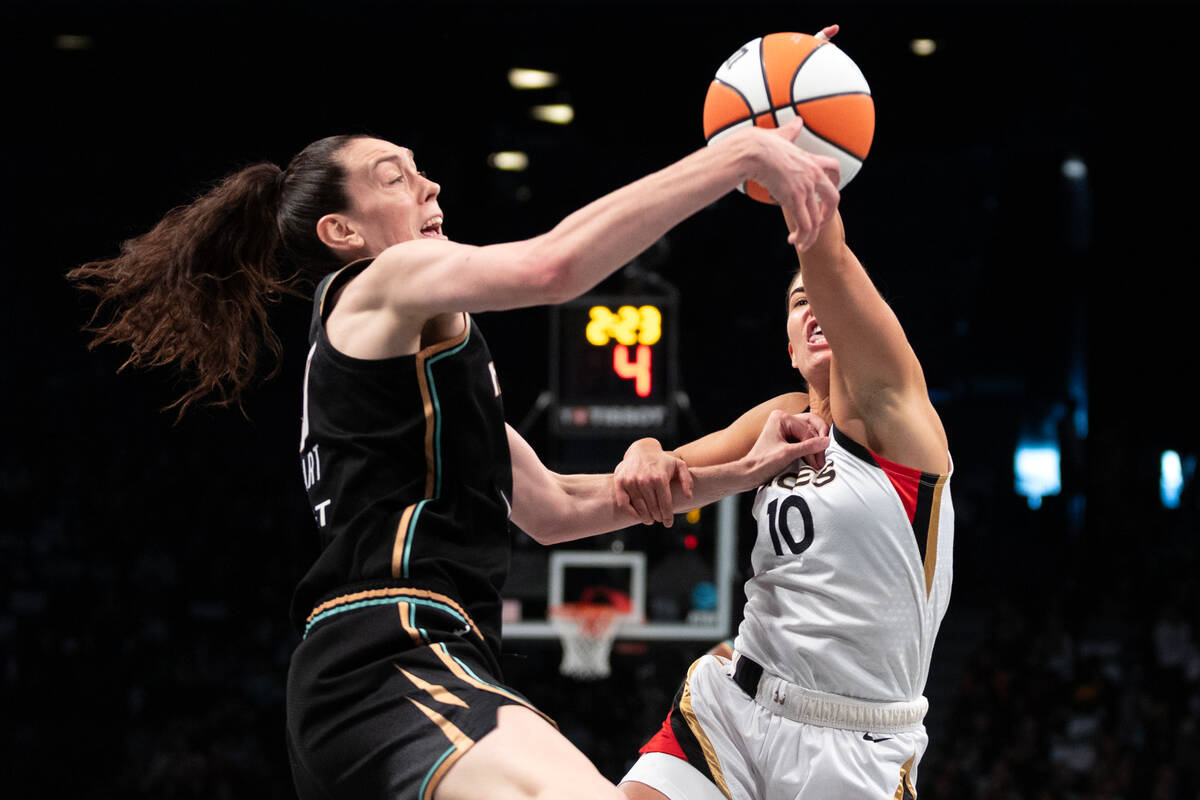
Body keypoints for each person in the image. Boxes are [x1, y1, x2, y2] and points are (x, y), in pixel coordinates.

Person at [68, 122, 840, 799]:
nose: (429, 181)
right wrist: (738, 153)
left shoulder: (407, 377)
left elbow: (554, 509)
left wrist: (740, 473)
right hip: (392, 655)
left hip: (393, 669)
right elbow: (554, 267)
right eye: (394, 176)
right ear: (343, 231)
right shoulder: (382, 280)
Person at [612, 123, 954, 800]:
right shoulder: (781, 417)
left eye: (825, 300)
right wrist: (646, 449)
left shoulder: (898, 418)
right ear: (790, 349)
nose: (815, 309)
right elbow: (670, 480)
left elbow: (828, 260)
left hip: (856, 740)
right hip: (733, 705)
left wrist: (791, 143)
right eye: (799, 305)